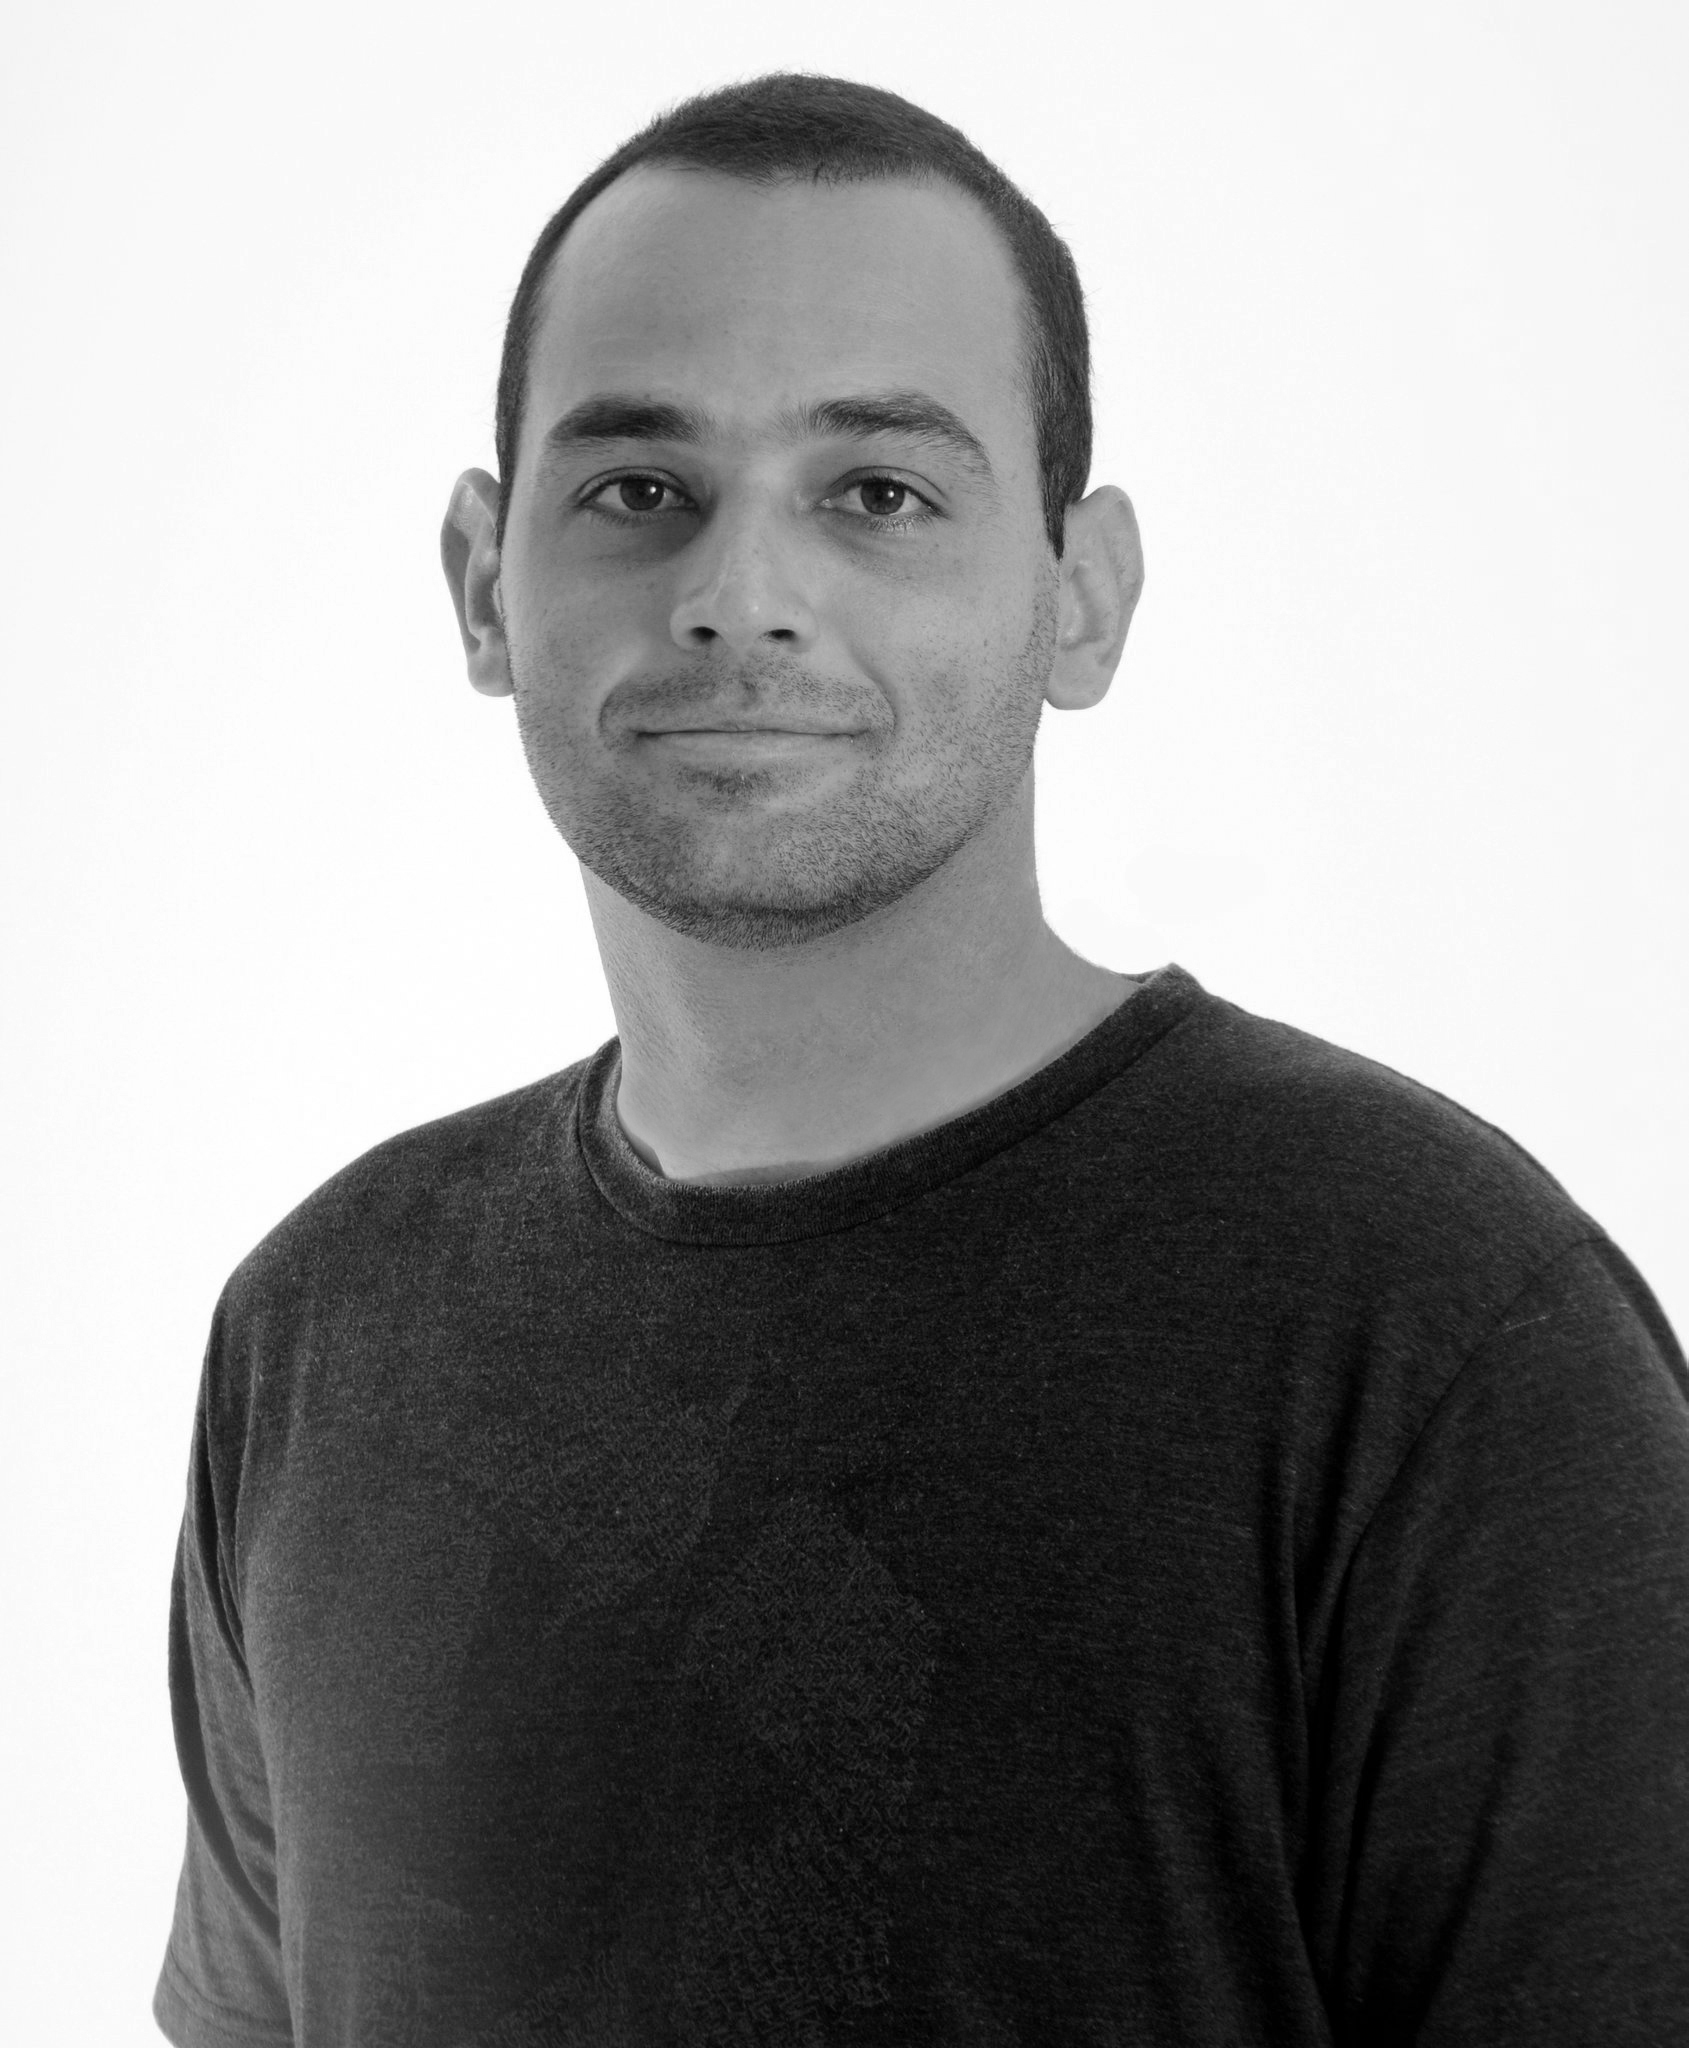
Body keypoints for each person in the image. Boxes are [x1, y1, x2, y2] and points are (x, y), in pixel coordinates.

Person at [153, 71, 1689, 2048]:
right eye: (638, 489)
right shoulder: (320, 1331)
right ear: (480, 581)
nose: (738, 596)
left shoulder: (1433, 1335)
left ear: (1080, 596)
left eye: (875, 491)